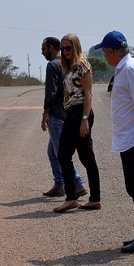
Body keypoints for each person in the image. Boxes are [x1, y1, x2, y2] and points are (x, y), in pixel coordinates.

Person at [93, 30, 134, 253]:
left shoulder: (130, 69)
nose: (104, 56)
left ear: (112, 51)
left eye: (104, 52)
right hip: (130, 137)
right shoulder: (124, 69)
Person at [53, 33, 101, 213]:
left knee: (64, 154)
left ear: (76, 47)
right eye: (62, 48)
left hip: (80, 113)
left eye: (68, 47)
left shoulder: (82, 65)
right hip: (72, 113)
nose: (65, 51)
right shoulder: (70, 67)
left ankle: (71, 197)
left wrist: (85, 120)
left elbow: (88, 93)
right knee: (86, 157)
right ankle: (94, 199)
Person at [41, 37, 87, 198]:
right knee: (52, 151)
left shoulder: (52, 65)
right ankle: (59, 184)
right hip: (68, 112)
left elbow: (51, 91)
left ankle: (78, 183)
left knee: (61, 152)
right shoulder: (65, 63)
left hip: (57, 114)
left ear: (52, 48)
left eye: (44, 49)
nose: (42, 52)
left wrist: (46, 113)